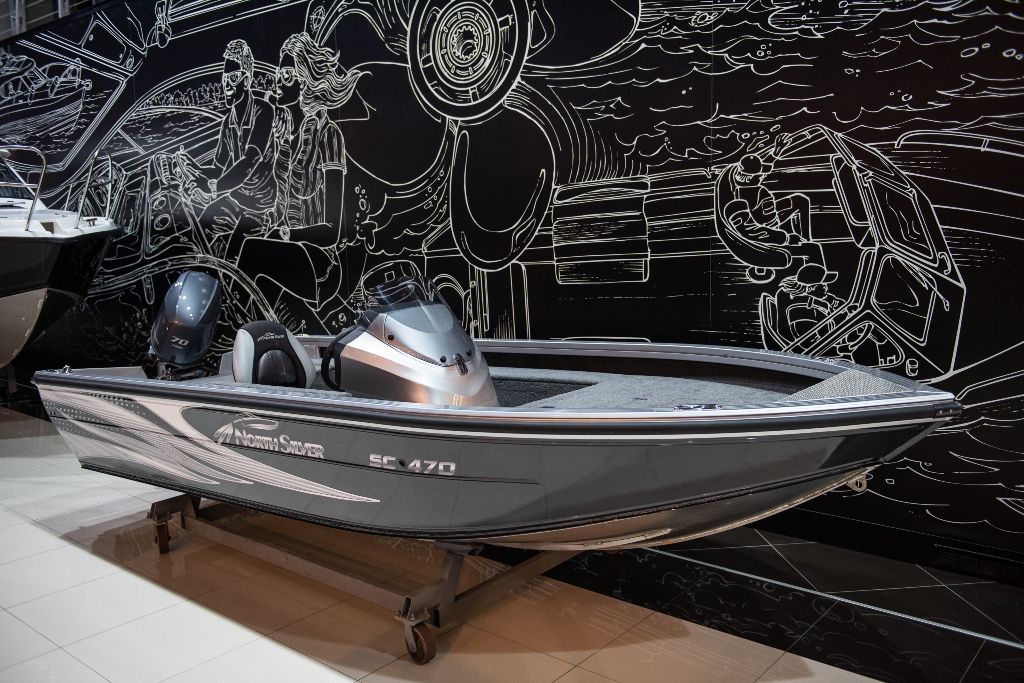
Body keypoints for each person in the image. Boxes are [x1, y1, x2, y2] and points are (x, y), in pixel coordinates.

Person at [195, 39, 278, 257]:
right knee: (196, 235)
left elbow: (248, 163)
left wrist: (214, 188)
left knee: (233, 258)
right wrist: (194, 171)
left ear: (246, 80)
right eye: (224, 79)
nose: (227, 85)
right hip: (234, 200)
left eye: (233, 78)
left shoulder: (263, 111)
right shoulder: (228, 121)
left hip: (259, 208)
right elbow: (219, 168)